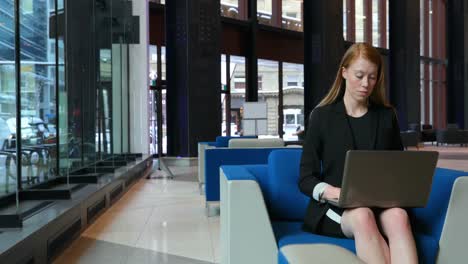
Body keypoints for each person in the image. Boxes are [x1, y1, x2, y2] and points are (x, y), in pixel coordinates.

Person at [298, 43, 417, 264]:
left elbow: (398, 168)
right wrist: (334, 192)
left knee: (399, 217)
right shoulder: (321, 117)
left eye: (372, 77)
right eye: (359, 75)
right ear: (344, 72)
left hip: (380, 204)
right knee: (363, 215)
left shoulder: (386, 116)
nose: (366, 84)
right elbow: (305, 178)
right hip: (337, 209)